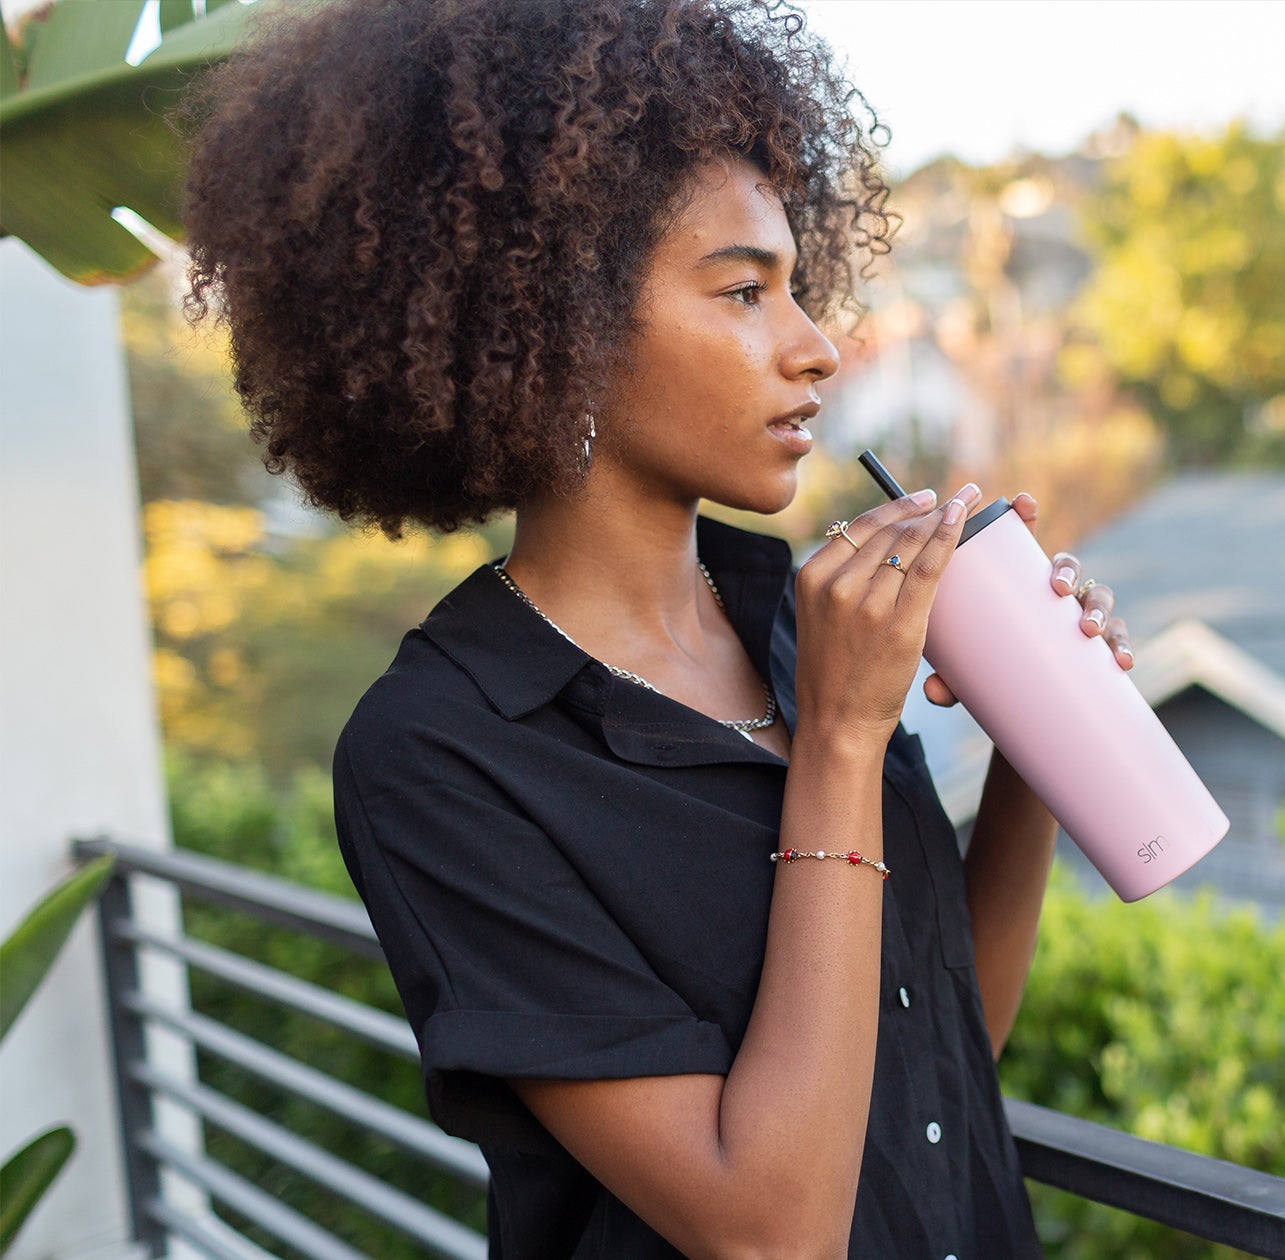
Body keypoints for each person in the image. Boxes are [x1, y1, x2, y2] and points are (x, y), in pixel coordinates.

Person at [177, 1, 1135, 1255]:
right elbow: (764, 1228)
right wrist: (842, 745)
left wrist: (1033, 737)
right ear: (552, 326)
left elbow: (942, 1055)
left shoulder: (798, 632)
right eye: (745, 292)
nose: (817, 350)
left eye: (799, 287)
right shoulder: (440, 754)